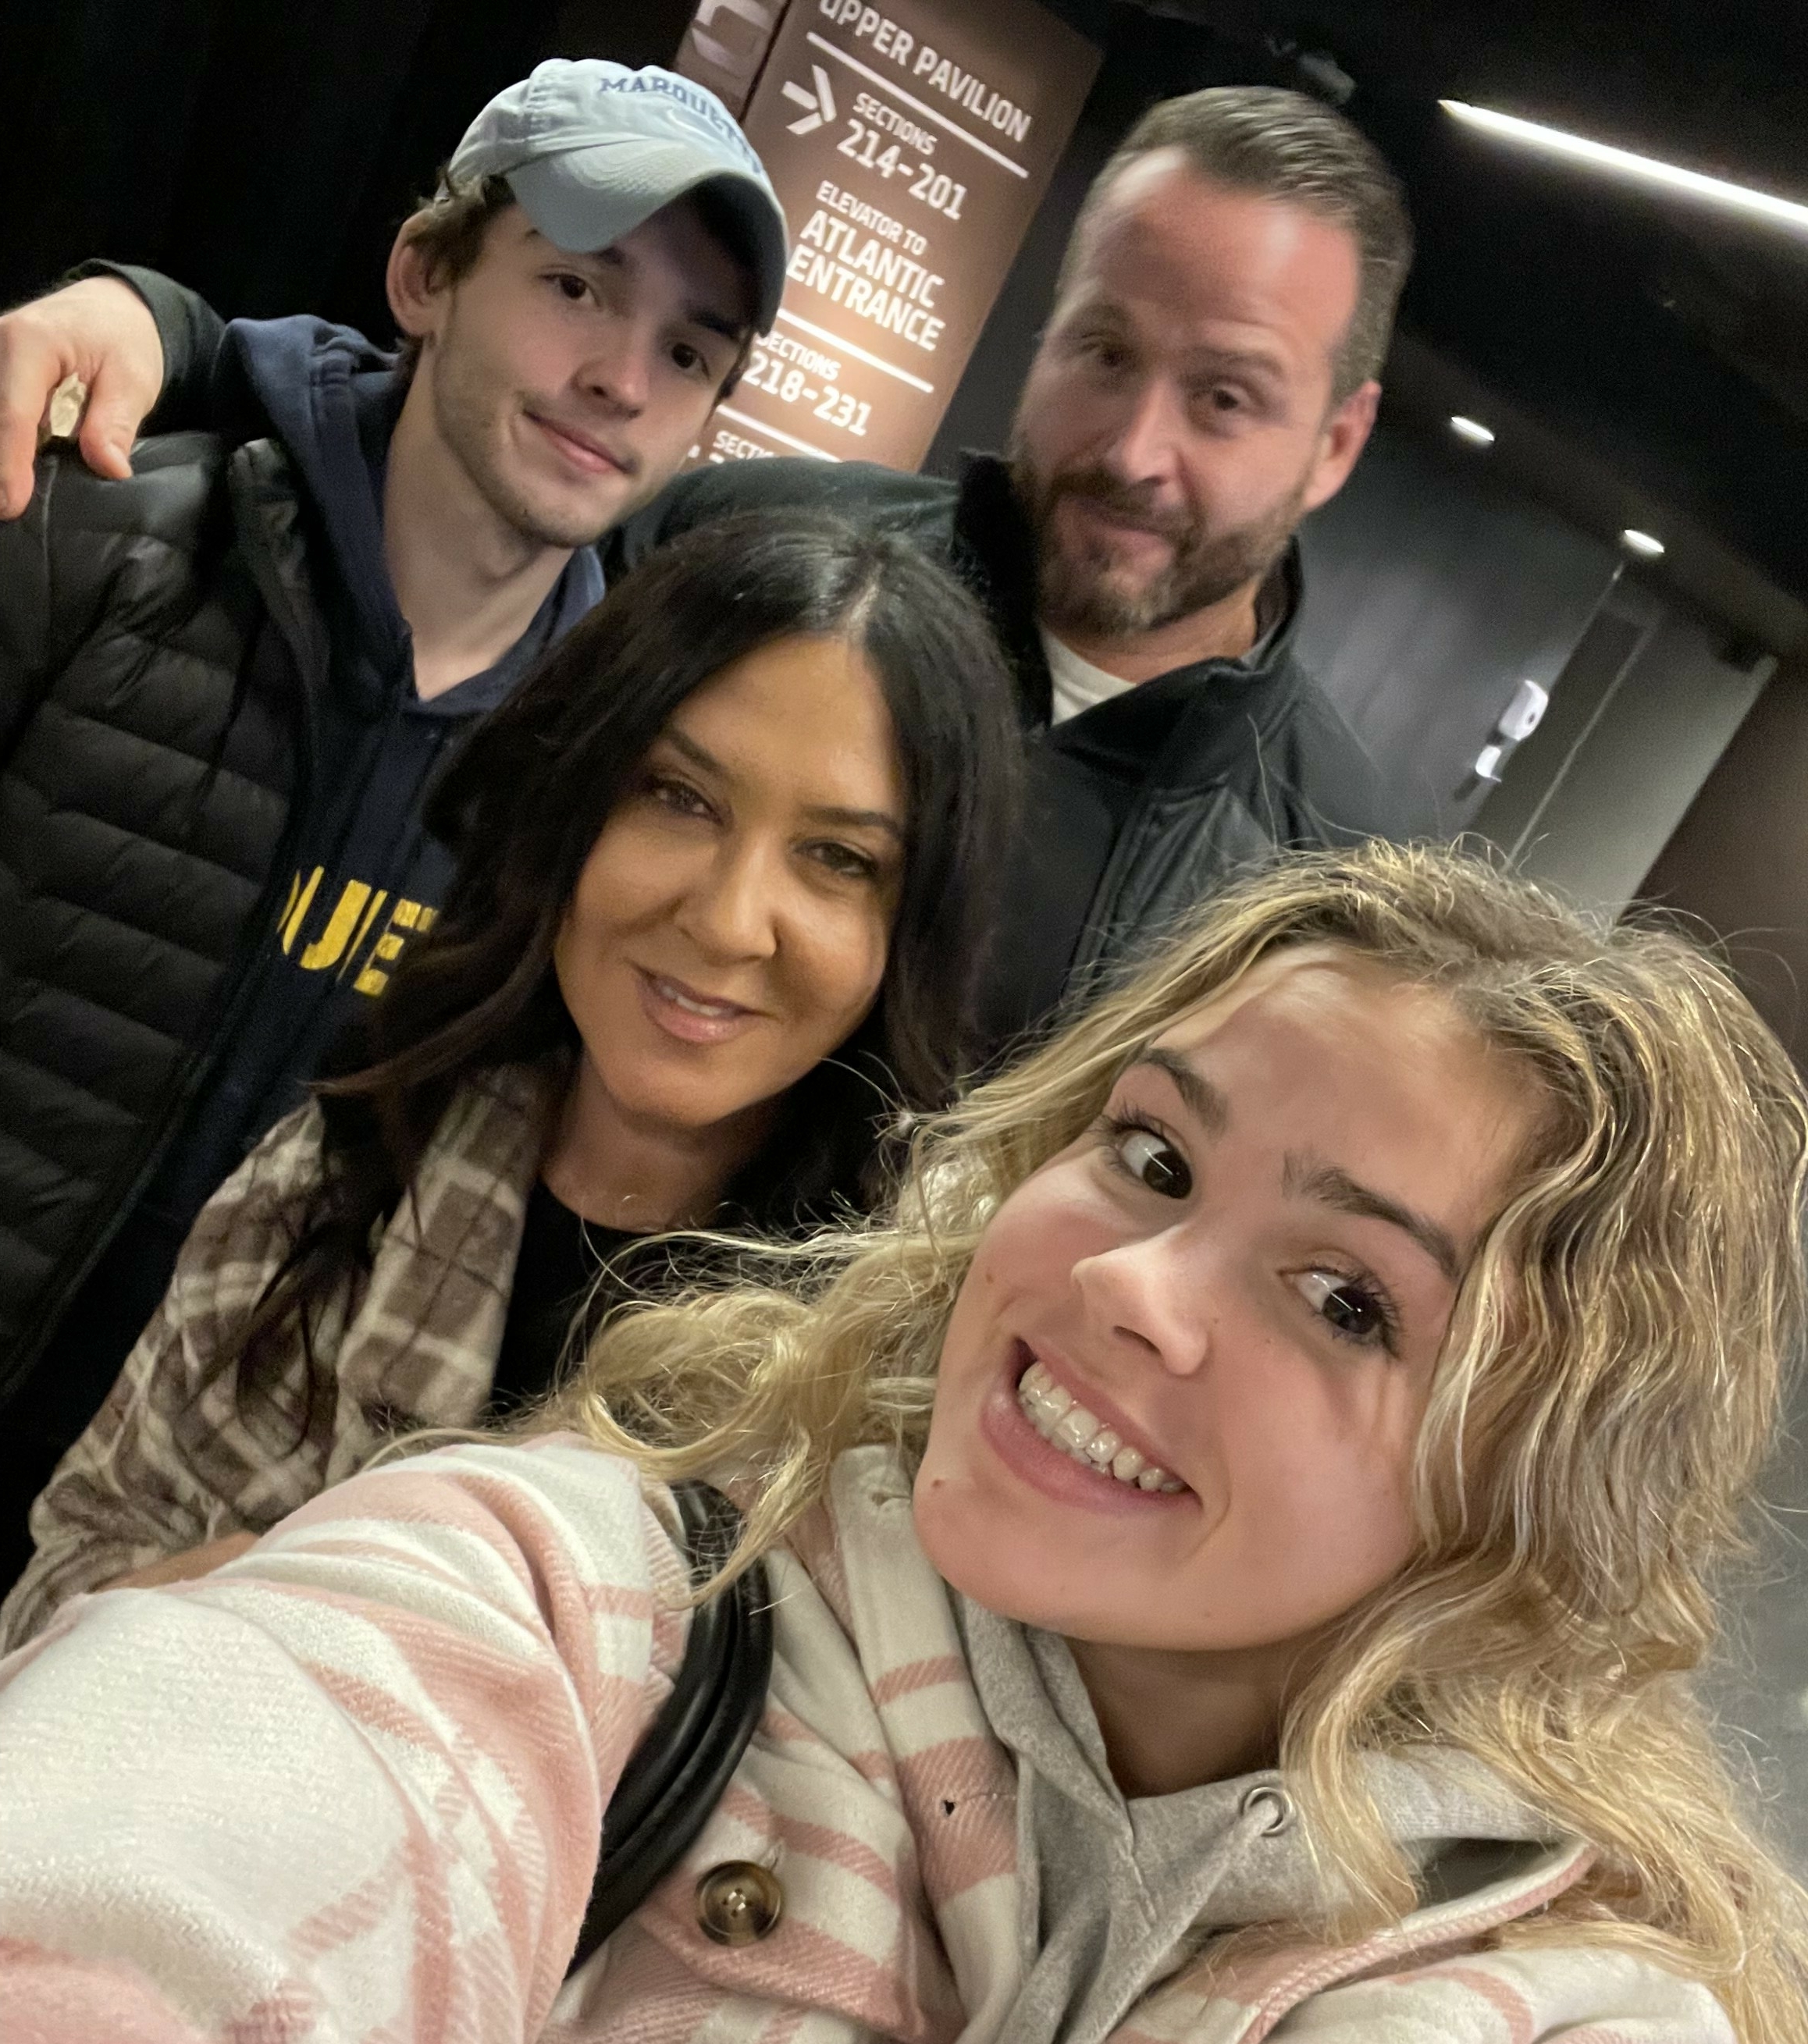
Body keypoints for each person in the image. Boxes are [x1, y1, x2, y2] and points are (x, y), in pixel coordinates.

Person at [5, 843, 1808, 2044]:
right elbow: (155, 1899)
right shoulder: (591, 1603)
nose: (1131, 1282)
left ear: (1526, 1491)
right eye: (1153, 1153)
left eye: (1346, 1297)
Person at [2, 84, 1408, 1055]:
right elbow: (440, 466)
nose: (1137, 449)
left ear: (1338, 441)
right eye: (1103, 351)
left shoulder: (1337, 891)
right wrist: (171, 336)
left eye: (1226, 397)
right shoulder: (752, 545)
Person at [0, 59, 789, 1586]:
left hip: (151, 1570)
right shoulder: (99, 544)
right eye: (576, 285)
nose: (623, 381)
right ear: (427, 273)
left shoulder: (602, 801)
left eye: (689, 350)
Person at [0, 508, 1023, 1641]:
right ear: (572, 800)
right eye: (679, 798)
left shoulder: (922, 1365)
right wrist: (291, 1606)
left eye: (838, 858)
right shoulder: (349, 1161)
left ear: (916, 926)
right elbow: (73, 1560)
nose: (730, 920)